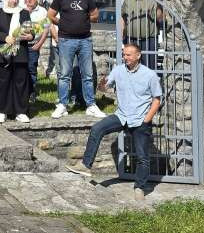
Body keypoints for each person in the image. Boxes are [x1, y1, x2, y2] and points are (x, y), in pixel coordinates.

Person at [67, 43, 161, 202]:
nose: (125, 58)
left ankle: (139, 187)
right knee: (97, 128)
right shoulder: (118, 70)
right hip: (122, 115)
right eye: (124, 55)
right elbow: (104, 88)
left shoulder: (149, 75)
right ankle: (85, 165)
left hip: (140, 119)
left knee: (142, 157)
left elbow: (157, 99)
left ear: (138, 56)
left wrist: (147, 120)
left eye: (129, 55)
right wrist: (103, 85)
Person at [49, 0, 104, 119]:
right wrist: (63, 23)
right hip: (66, 40)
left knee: (87, 74)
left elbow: (95, 15)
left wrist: (85, 18)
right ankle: (62, 105)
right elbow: (50, 15)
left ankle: (91, 105)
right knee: (65, 75)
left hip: (85, 40)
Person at [0, 0, 33, 124]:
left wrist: (31, 36)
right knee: (3, 82)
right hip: (3, 52)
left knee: (20, 82)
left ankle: (20, 111)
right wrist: (5, 37)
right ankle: (2, 111)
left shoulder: (24, 13)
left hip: (20, 53)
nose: (14, 1)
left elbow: (30, 31)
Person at [121, 0, 163, 70]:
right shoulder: (128, 0)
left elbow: (160, 18)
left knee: (149, 68)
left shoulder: (151, 0)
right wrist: (122, 34)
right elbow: (122, 17)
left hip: (149, 40)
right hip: (131, 39)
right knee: (131, 67)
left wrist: (158, 2)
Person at [24, 0, 51, 100]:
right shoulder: (21, 9)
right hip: (20, 45)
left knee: (31, 69)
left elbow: (46, 30)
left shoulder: (43, 11)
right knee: (20, 69)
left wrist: (39, 44)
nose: (29, 0)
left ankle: (31, 93)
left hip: (33, 45)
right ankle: (21, 92)